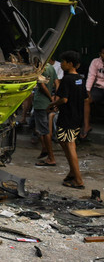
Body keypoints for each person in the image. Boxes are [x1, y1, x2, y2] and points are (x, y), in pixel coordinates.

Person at [47, 51, 89, 190]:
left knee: (69, 146)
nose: (62, 64)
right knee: (65, 142)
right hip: (76, 117)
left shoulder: (67, 79)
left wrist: (52, 105)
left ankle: (78, 180)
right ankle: (72, 172)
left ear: (70, 63)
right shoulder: (80, 79)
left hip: (67, 117)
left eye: (63, 62)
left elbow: (63, 99)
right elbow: (84, 98)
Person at [33, 62, 58, 167]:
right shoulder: (51, 67)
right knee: (44, 128)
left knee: (44, 130)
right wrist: (54, 97)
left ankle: (50, 157)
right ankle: (45, 149)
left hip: (41, 102)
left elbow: (42, 86)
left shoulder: (39, 69)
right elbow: (57, 82)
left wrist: (49, 97)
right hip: (48, 102)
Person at [84, 45, 104, 138]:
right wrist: (87, 90)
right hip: (98, 88)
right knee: (86, 100)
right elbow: (91, 76)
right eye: (103, 53)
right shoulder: (95, 62)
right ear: (100, 54)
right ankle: (86, 126)